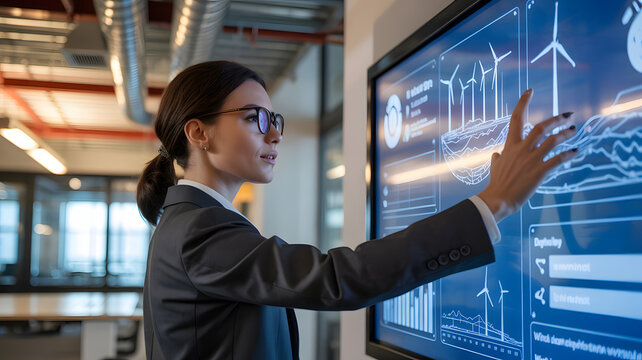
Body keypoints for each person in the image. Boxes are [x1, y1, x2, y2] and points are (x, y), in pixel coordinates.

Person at [136, 61, 578, 360]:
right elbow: (335, 279)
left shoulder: (190, 223)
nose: (275, 136)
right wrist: (492, 203)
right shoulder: (198, 230)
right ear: (200, 133)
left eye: (276, 120)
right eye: (255, 118)